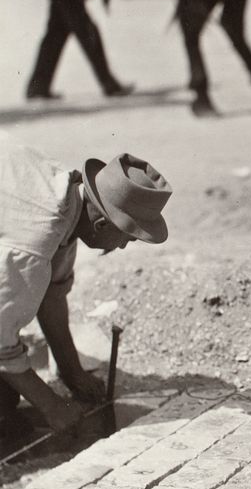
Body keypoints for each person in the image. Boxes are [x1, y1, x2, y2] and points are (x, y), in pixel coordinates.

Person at [0, 141, 172, 431]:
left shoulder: (68, 201)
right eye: (128, 237)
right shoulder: (35, 241)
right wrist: (52, 406)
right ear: (102, 224)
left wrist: (72, 372)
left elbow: (52, 296)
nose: (123, 247)